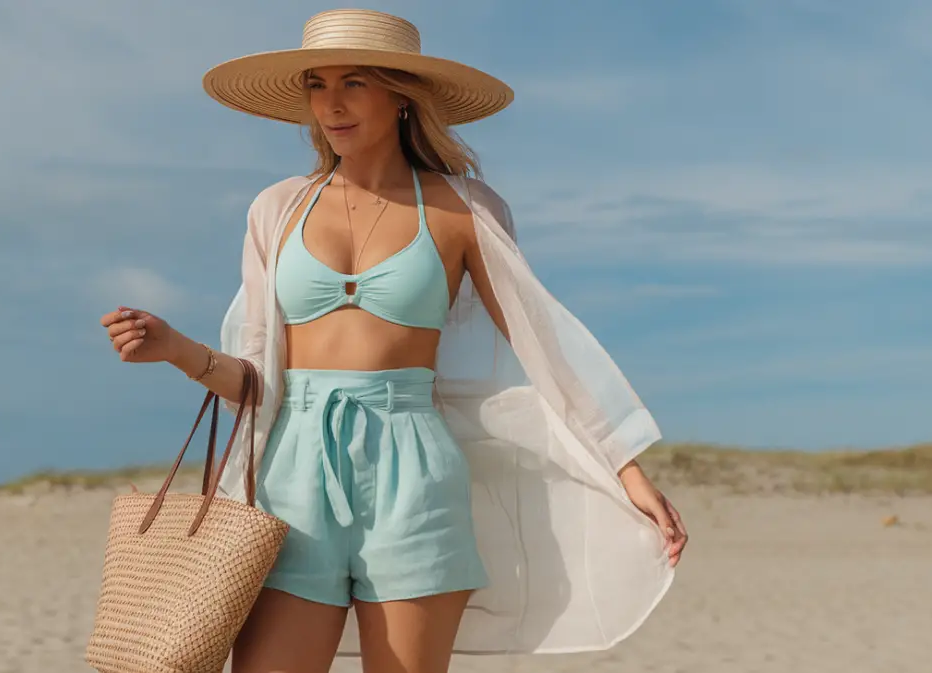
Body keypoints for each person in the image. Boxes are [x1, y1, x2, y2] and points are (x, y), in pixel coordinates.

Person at [100, 8, 688, 673]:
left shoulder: (464, 208)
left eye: (354, 82)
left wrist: (627, 469)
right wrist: (175, 347)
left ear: (400, 94)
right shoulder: (276, 209)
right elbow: (257, 381)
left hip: (415, 477)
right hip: (289, 477)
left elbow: (543, 344)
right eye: (317, 85)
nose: (331, 104)